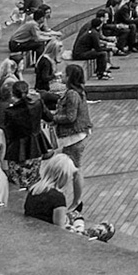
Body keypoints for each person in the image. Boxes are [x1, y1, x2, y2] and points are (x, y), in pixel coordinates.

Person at [50, 66, 92, 198]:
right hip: (77, 135)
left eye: (65, 73)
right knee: (74, 169)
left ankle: (75, 200)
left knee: (73, 170)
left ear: (70, 77)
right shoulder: (79, 91)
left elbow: (70, 117)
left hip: (73, 137)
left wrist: (54, 118)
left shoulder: (72, 94)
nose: (62, 75)